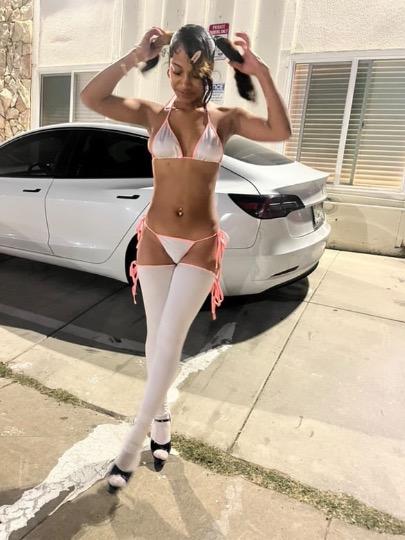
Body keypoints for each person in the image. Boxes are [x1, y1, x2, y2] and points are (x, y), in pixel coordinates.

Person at [80, 24, 291, 494]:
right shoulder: (152, 115)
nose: (185, 83)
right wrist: (136, 55)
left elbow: (280, 130)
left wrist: (260, 72)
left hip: (199, 243)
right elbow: (91, 97)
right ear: (168, 69)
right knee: (155, 339)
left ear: (210, 74)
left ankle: (129, 449)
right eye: (176, 71)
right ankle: (161, 422)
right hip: (155, 239)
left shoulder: (225, 120)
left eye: (196, 74)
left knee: (171, 342)